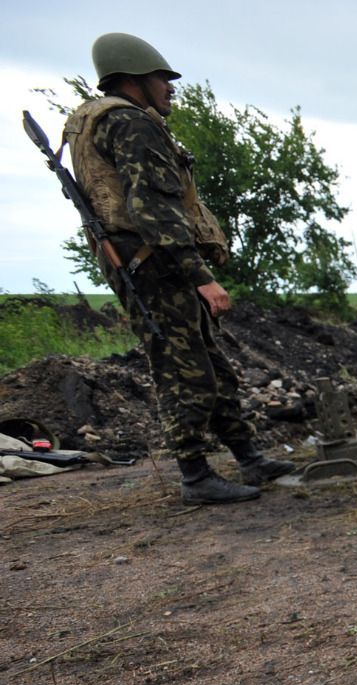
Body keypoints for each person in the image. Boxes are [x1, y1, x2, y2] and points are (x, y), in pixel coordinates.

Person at [63, 33, 295, 505]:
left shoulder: (91, 122)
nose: (170, 88)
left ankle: (248, 455)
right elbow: (152, 209)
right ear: (132, 79)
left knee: (209, 361)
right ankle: (194, 474)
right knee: (184, 369)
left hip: (148, 263)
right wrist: (202, 277)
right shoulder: (130, 124)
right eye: (160, 79)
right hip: (157, 267)